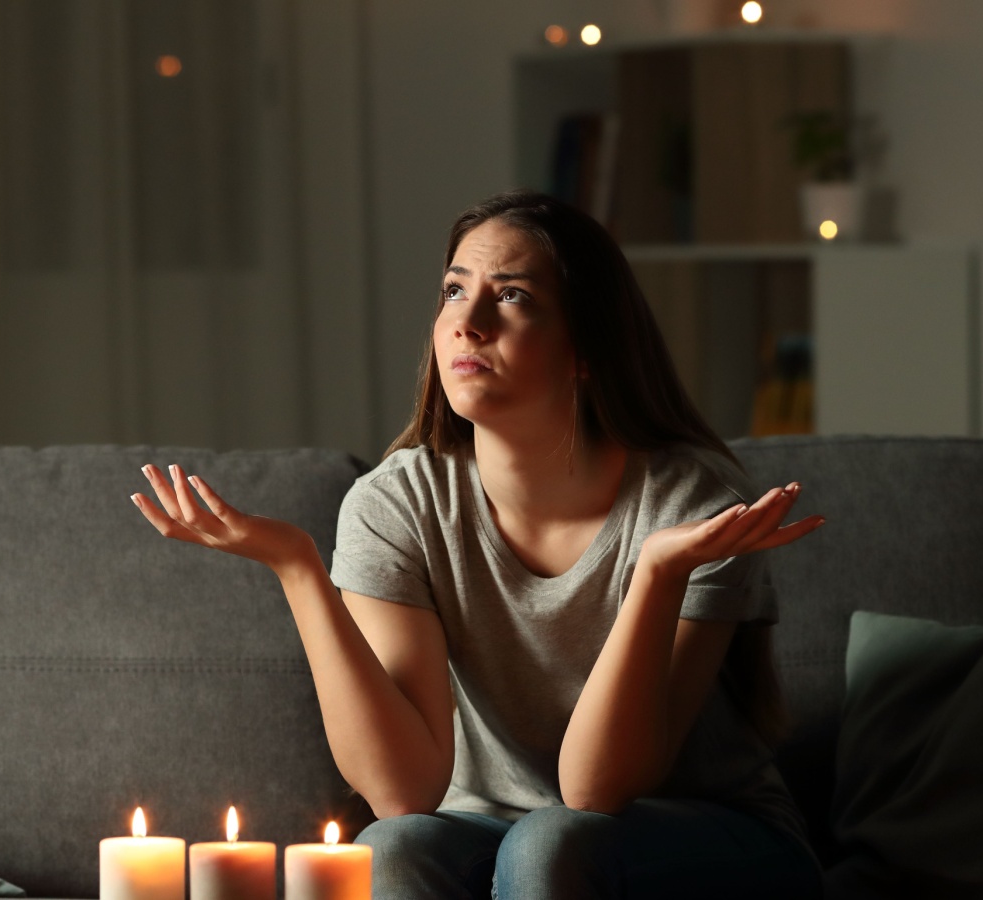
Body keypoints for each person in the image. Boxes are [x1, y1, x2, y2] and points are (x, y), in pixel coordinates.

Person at [130, 189, 825, 898]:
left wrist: (654, 575)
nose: (468, 321)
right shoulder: (396, 503)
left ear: (587, 347)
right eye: (454, 290)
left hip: (709, 836)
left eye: (514, 296)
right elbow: (403, 792)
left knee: (550, 843)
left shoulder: (688, 506)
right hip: (495, 829)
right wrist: (299, 569)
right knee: (392, 850)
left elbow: (597, 788)